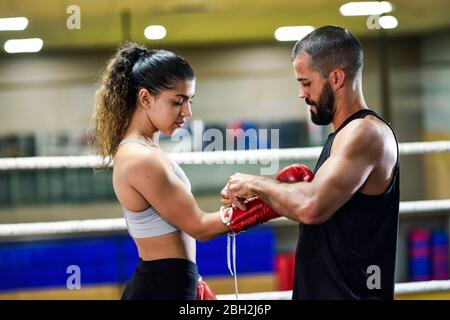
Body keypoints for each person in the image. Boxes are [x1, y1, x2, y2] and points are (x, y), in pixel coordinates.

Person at [91, 42, 304, 300]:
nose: (187, 112)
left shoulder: (145, 148)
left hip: (169, 281)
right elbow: (200, 227)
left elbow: (173, 230)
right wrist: (274, 200)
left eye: (189, 100)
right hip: (162, 288)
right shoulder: (141, 158)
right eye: (177, 101)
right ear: (145, 98)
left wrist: (192, 279)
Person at [221, 25, 400, 300]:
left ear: (337, 78)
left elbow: (311, 206)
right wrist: (269, 200)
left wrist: (252, 183)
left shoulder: (365, 133)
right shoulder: (341, 136)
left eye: (306, 82)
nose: (301, 94)